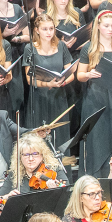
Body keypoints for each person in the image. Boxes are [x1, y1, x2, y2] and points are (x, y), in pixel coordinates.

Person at [76, 11, 112, 177]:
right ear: (98, 26)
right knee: (96, 139)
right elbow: (80, 75)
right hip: (95, 98)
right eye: (106, 26)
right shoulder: (89, 48)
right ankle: (96, 177)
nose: (110, 29)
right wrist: (89, 74)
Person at [23, 13, 75, 146]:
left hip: (58, 97)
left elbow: (71, 74)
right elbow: (30, 79)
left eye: (51, 28)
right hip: (39, 99)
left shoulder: (61, 46)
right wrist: (47, 84)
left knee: (60, 136)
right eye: (45, 29)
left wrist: (62, 82)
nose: (49, 32)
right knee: (40, 139)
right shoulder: (30, 48)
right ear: (37, 30)